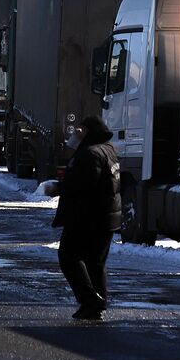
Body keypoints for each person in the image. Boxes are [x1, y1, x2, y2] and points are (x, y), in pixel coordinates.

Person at [53, 115, 122, 321]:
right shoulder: (108, 150)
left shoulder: (90, 154)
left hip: (87, 217)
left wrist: (57, 188)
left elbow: (83, 185)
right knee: (95, 263)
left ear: (87, 132)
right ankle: (96, 306)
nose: (75, 133)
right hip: (106, 217)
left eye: (79, 130)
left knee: (68, 257)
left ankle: (91, 300)